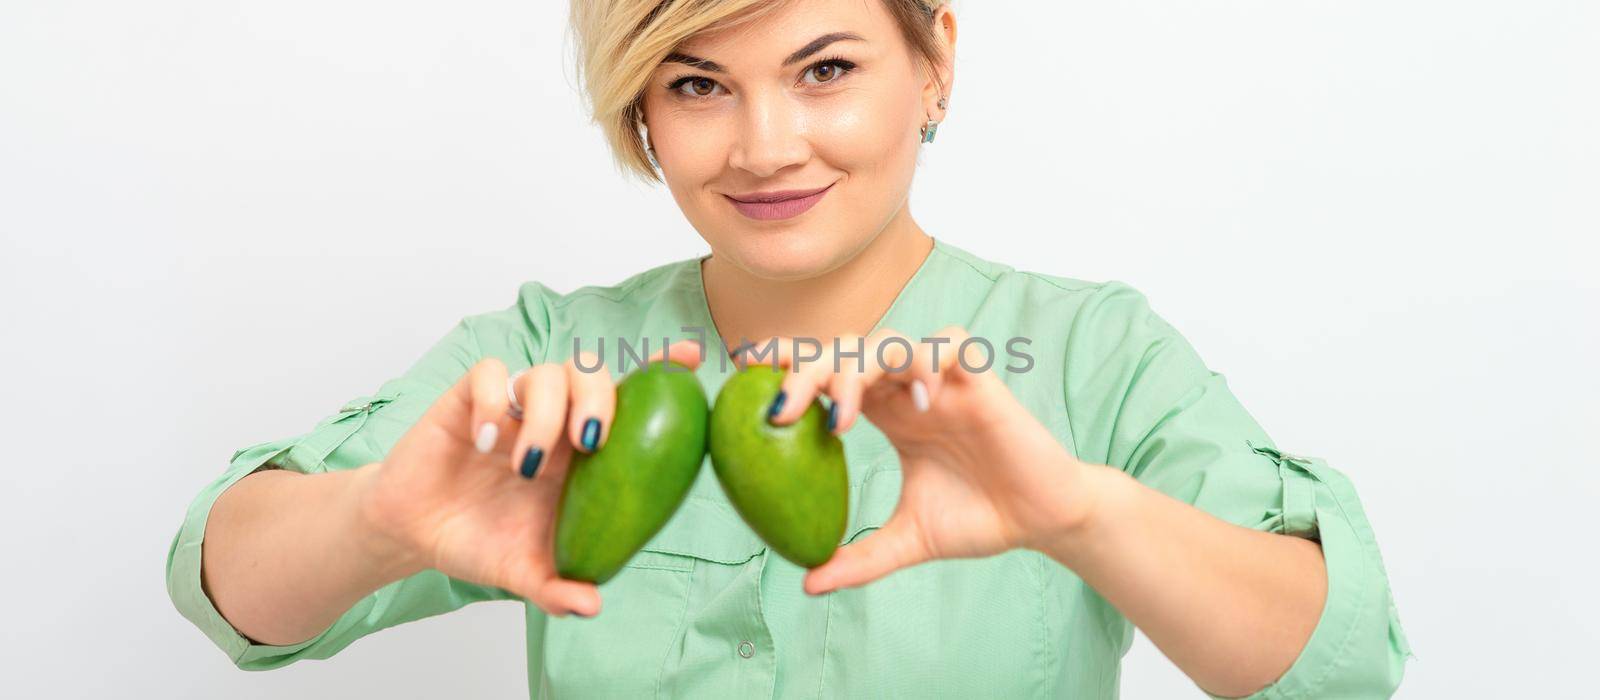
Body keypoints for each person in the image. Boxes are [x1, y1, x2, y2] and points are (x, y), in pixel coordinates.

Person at [166, 0, 1411, 697]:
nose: (763, 146)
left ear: (934, 63)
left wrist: (1079, 515)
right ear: (641, 113)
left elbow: (1342, 662)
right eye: (697, 85)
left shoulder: (1085, 350)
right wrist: (381, 519)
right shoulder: (556, 353)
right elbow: (229, 588)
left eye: (824, 68)